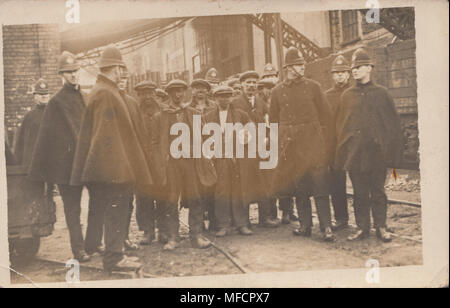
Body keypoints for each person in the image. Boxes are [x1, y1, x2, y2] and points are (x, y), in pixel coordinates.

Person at [71, 45, 153, 272]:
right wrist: (118, 173)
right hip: (112, 171)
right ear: (115, 68)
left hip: (106, 169)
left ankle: (113, 255)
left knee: (110, 212)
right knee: (115, 212)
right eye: (121, 68)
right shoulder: (107, 93)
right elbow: (107, 138)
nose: (122, 73)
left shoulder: (101, 90)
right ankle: (115, 258)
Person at [28, 52, 93, 262]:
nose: (73, 76)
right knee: (73, 210)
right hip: (67, 168)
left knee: (97, 202)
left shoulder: (84, 97)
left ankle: (93, 243)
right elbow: (46, 136)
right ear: (61, 75)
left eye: (75, 71)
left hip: (87, 163)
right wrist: (42, 172)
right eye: (68, 73)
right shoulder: (56, 102)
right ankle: (79, 249)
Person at [335, 48, 404, 242]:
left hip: (377, 155)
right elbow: (341, 126)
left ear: (369, 68)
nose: (354, 71)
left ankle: (381, 227)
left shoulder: (382, 94)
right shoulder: (347, 96)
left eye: (358, 67)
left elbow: (393, 126)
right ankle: (362, 228)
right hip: (356, 154)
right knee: (359, 193)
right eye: (353, 68)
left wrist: (391, 152)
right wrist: (344, 151)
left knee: (378, 192)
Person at [270, 47, 335, 241]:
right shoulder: (277, 91)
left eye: (303, 64)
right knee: (300, 189)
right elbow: (273, 122)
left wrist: (325, 146)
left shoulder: (314, 87)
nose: (302, 67)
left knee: (320, 187)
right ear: (289, 67)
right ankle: (305, 225)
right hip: (292, 148)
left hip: (314, 147)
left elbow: (327, 118)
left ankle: (326, 227)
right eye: (299, 64)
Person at [150, 79, 216, 251]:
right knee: (171, 200)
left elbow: (205, 137)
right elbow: (155, 143)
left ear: (185, 93)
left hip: (191, 163)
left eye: (180, 91)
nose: (177, 95)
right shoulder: (160, 116)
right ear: (169, 94)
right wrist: (160, 162)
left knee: (195, 198)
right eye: (174, 92)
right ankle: (173, 237)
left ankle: (196, 235)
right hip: (171, 164)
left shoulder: (193, 113)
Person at [203, 85, 256, 237]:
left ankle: (242, 224)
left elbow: (251, 133)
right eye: (221, 96)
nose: (224, 99)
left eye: (227, 96)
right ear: (215, 98)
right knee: (221, 192)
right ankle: (223, 225)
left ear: (231, 97)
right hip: (220, 159)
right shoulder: (208, 117)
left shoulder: (241, 114)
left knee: (239, 190)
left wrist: (242, 142)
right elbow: (205, 138)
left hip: (237, 159)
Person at [232, 71, 279, 230]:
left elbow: (267, 122)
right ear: (242, 85)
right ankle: (244, 223)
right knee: (244, 185)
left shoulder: (261, 102)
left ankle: (264, 218)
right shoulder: (235, 103)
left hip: (261, 148)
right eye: (248, 83)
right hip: (244, 150)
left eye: (253, 83)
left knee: (262, 182)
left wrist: (267, 139)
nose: (251, 86)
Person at [133, 80, 166, 246]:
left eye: (150, 93)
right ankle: (147, 231)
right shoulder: (134, 113)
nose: (147, 97)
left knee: (162, 195)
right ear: (139, 95)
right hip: (141, 162)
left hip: (160, 162)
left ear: (155, 93)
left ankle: (163, 230)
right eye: (143, 93)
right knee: (143, 198)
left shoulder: (163, 111)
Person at [325, 55, 352, 231]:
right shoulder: (327, 96)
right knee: (337, 184)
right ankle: (341, 218)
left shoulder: (356, 92)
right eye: (337, 73)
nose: (340, 76)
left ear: (349, 74)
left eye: (343, 72)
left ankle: (365, 221)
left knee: (362, 185)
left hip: (355, 145)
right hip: (336, 146)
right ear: (332, 76)